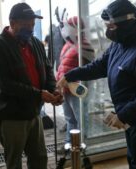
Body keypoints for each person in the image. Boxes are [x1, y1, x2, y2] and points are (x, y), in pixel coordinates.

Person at [57, 0, 136, 168]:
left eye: (111, 27)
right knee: (134, 160)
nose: (107, 31)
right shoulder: (119, 44)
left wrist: (123, 114)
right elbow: (98, 66)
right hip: (133, 119)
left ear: (126, 24)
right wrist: (70, 75)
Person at [0, 3, 63, 169]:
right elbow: (6, 84)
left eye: (32, 25)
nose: (29, 29)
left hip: (34, 113)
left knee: (39, 158)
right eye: (25, 25)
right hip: (12, 116)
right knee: (14, 162)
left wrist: (54, 90)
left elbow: (47, 68)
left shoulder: (35, 42)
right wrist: (39, 94)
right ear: (12, 23)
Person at [56, 16, 94, 148]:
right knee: (70, 118)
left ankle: (81, 144)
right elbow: (62, 66)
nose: (65, 29)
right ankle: (69, 143)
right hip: (65, 89)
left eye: (68, 26)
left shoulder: (84, 46)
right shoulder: (68, 44)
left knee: (81, 118)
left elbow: (91, 69)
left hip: (77, 89)